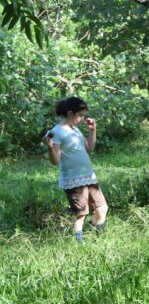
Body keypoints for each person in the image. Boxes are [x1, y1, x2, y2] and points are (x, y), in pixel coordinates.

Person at [44, 97, 107, 242]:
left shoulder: (75, 130)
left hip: (88, 177)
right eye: (80, 115)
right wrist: (49, 147)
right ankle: (79, 243)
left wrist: (92, 131)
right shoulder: (56, 132)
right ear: (70, 113)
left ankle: (98, 238)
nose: (82, 119)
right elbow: (56, 160)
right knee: (81, 214)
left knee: (102, 208)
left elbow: (89, 147)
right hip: (73, 179)